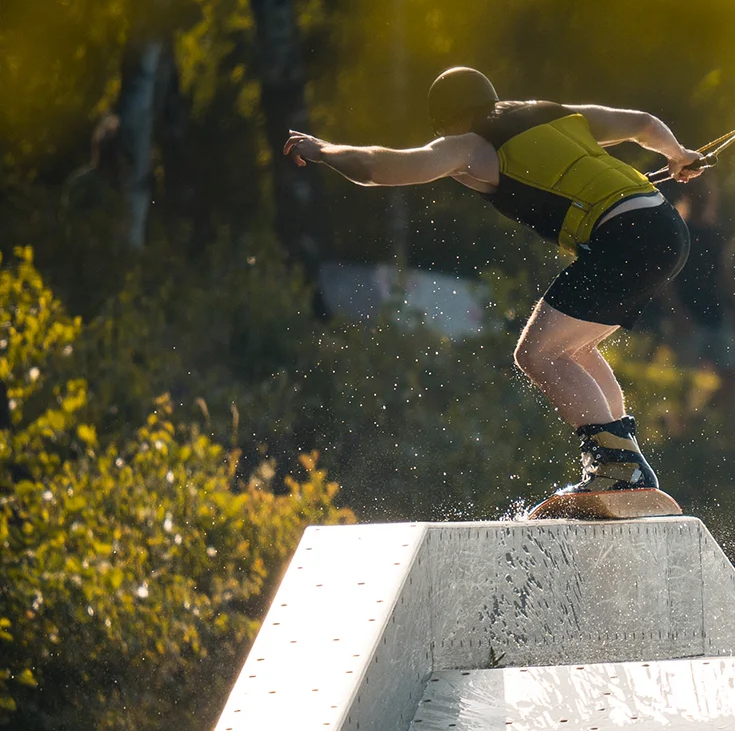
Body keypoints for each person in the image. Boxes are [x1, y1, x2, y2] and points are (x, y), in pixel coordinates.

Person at [282, 67, 707, 504]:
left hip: (626, 237)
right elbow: (642, 124)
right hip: (665, 228)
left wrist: (324, 150)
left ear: (446, 120)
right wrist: (677, 154)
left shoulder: (466, 145)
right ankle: (625, 464)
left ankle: (618, 468)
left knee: (536, 353)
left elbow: (379, 167)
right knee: (573, 348)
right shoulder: (552, 113)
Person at [672, 182, 735, 431]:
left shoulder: (716, 233)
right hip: (689, 315)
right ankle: (680, 431)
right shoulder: (681, 231)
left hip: (716, 313)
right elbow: (667, 280)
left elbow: (725, 274)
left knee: (730, 374)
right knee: (686, 379)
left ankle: (725, 432)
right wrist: (678, 313)